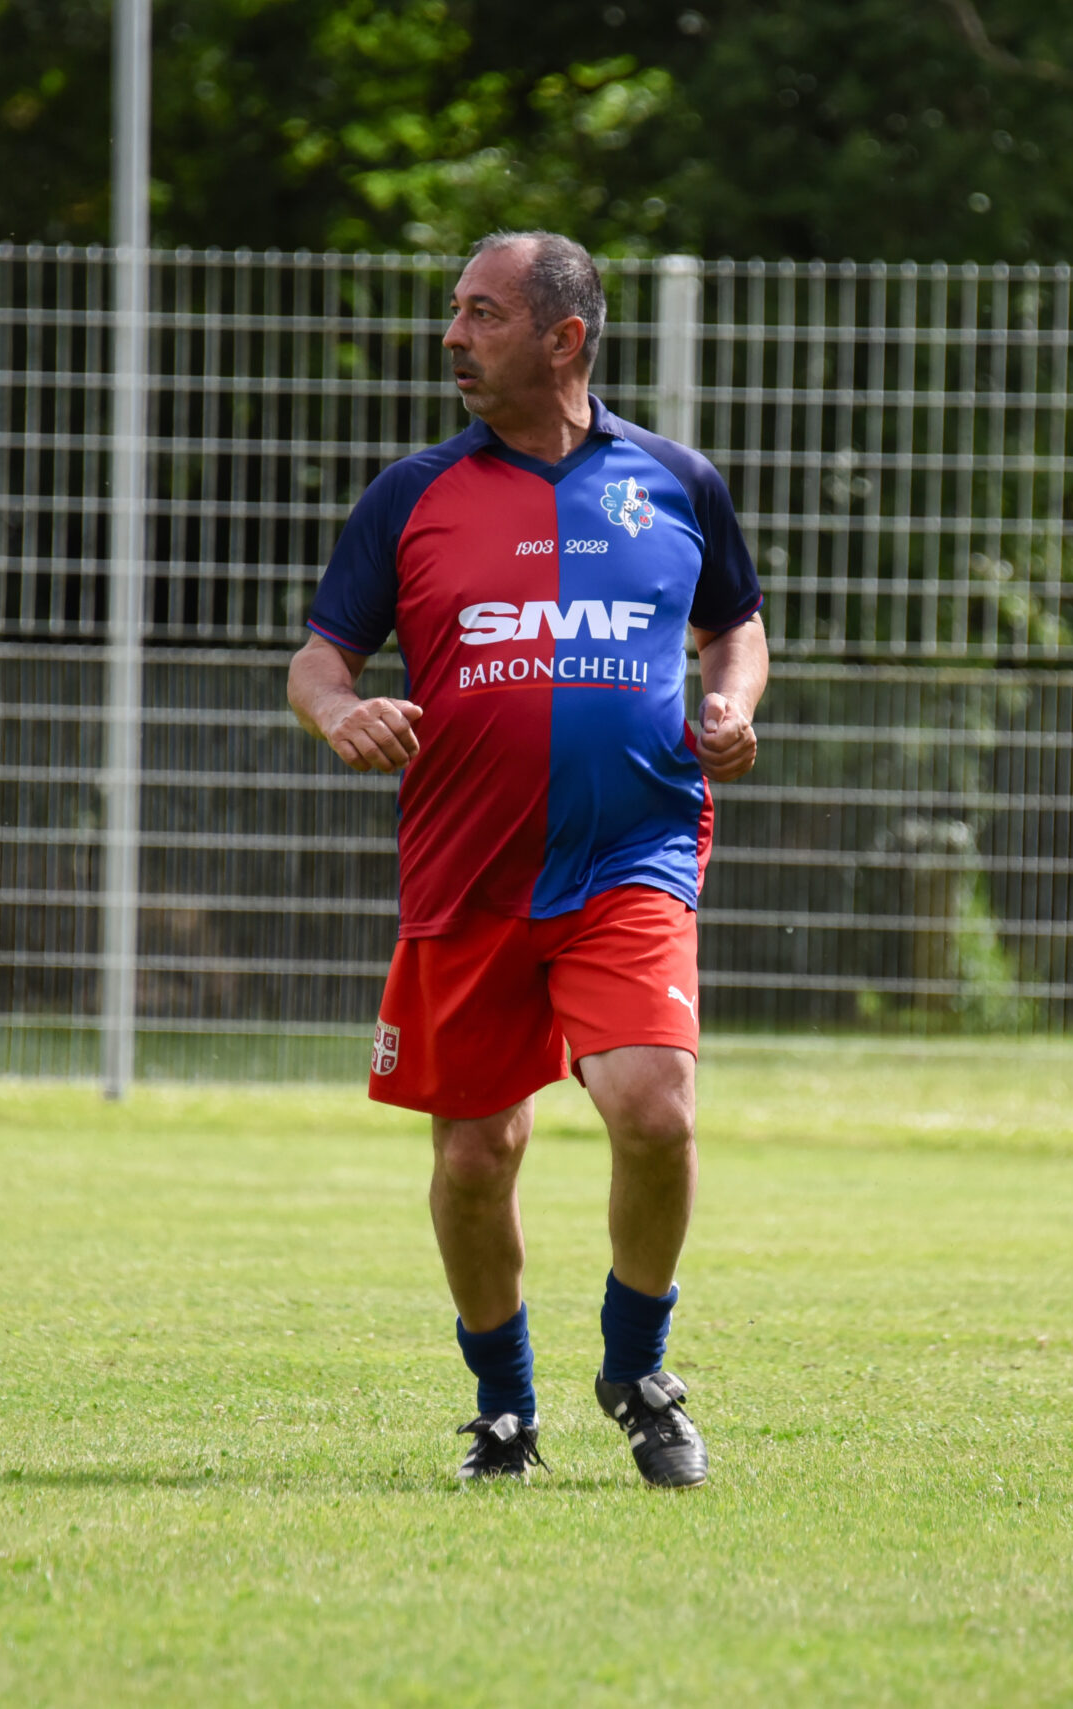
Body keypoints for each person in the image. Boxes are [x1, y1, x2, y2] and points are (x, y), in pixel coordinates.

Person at [285, 231, 771, 1488]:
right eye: (454, 311)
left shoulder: (677, 481)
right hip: (468, 870)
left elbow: (735, 625)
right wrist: (340, 713)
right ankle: (504, 1409)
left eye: (482, 313)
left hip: (633, 853)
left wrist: (730, 702)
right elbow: (320, 657)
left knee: (654, 1110)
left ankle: (638, 1371)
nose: (452, 335)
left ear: (564, 338)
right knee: (473, 1157)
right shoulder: (411, 495)